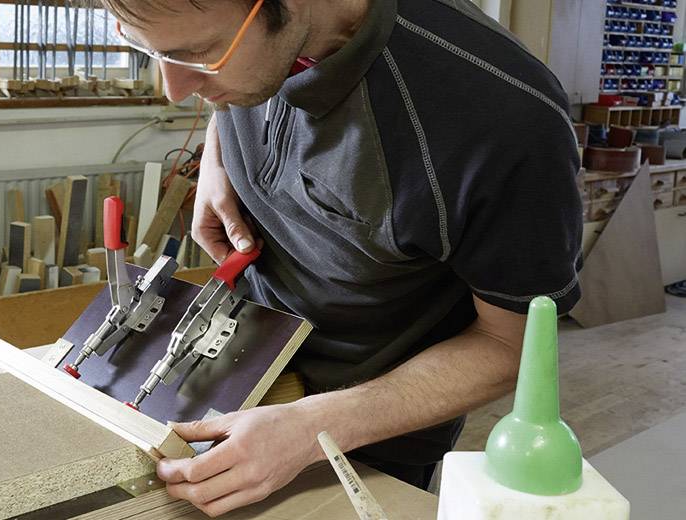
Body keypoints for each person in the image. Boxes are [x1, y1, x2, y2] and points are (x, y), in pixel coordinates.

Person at [105, 0, 584, 516]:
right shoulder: (249, 46)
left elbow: (512, 346)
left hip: (367, 430)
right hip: (241, 364)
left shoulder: (506, 121)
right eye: (153, 52)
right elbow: (240, 75)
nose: (174, 90)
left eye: (200, 53)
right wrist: (218, 161)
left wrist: (313, 428)